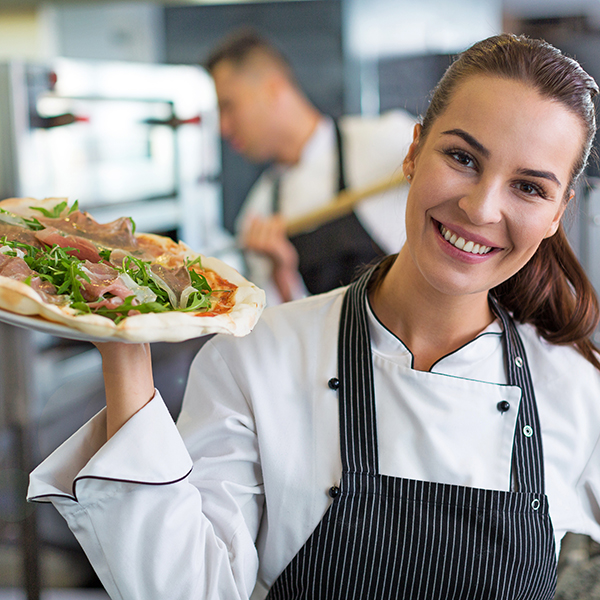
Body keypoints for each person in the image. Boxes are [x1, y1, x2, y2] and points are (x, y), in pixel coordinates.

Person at [28, 33, 600, 600]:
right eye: (462, 158)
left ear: (557, 213)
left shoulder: (575, 390)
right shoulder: (256, 356)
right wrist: (124, 339)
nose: (480, 207)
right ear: (413, 150)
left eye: (528, 187)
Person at [207, 30, 416, 304]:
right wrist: (283, 274)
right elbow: (284, 334)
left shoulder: (387, 140)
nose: (223, 127)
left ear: (272, 89)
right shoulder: (258, 215)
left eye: (228, 106)